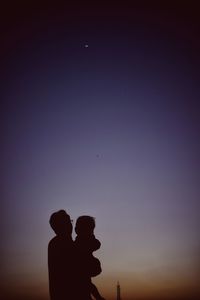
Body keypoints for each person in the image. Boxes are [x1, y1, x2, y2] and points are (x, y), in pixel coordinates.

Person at [75, 215, 106, 300]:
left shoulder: (78, 242)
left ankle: (98, 297)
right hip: (83, 272)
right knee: (86, 283)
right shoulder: (80, 244)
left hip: (84, 274)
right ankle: (98, 297)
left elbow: (97, 244)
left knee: (87, 283)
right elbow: (97, 244)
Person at [48, 210, 75, 300]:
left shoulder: (55, 243)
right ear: (60, 226)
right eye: (67, 222)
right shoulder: (61, 244)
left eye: (70, 221)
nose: (71, 224)